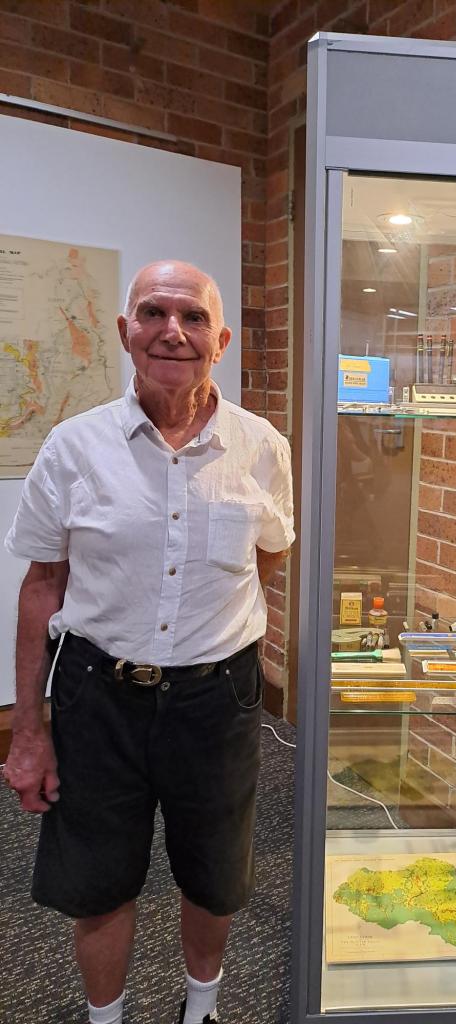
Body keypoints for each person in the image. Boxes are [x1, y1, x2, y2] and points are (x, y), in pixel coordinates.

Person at [2, 260, 294, 1024]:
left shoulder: (263, 447)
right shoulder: (73, 447)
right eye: (154, 313)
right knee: (97, 881)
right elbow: (42, 588)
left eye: (193, 317)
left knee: (215, 875)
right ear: (124, 331)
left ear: (220, 341)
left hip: (217, 700)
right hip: (98, 695)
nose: (173, 331)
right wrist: (27, 730)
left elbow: (267, 556)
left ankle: (202, 1009)